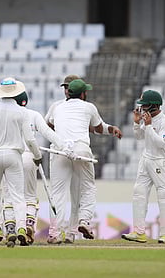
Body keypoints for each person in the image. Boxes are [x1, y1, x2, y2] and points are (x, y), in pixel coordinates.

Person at [47, 79, 122, 244]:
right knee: (87, 188)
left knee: (57, 194)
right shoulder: (88, 107)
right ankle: (84, 221)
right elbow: (98, 127)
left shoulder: (57, 107)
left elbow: (48, 125)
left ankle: (55, 233)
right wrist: (112, 130)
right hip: (81, 149)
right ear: (83, 94)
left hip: (59, 149)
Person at [0, 77, 42, 247]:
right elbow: (30, 138)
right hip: (13, 155)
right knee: (18, 195)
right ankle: (20, 228)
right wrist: (36, 154)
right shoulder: (22, 112)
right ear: (16, 92)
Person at [2, 91, 64, 244]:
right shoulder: (34, 114)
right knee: (29, 196)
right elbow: (47, 132)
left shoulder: (4, 115)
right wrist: (63, 146)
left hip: (10, 157)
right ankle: (29, 223)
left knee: (10, 196)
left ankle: (11, 229)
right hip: (29, 157)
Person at [121, 90, 165, 244]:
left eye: (145, 105)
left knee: (164, 195)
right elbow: (139, 137)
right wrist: (137, 122)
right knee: (139, 193)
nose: (142, 108)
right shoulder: (147, 118)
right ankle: (139, 232)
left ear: (154, 105)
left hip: (159, 161)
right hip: (146, 159)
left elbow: (161, 143)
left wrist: (149, 126)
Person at [44, 74, 80, 243]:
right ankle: (55, 232)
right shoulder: (56, 106)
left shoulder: (84, 107)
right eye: (65, 87)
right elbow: (45, 126)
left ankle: (72, 232)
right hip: (59, 152)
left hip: (76, 152)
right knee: (58, 194)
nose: (67, 90)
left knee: (76, 194)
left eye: (69, 87)